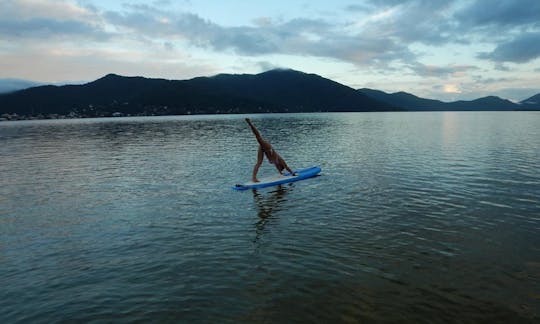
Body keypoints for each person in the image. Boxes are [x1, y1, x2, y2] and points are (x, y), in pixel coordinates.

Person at [245, 118, 295, 182]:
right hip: (268, 148)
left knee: (259, 163)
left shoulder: (277, 164)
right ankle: (250, 123)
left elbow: (279, 169)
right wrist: (292, 173)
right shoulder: (281, 161)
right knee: (258, 138)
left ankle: (254, 178)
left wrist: (281, 173)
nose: (278, 168)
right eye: (279, 168)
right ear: (281, 166)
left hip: (263, 150)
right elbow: (287, 167)